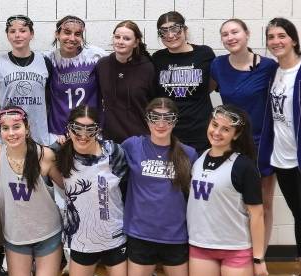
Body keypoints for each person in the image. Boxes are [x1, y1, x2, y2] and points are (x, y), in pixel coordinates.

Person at [188, 105, 274, 276]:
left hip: (234, 249)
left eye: (226, 129)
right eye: (215, 125)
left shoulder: (244, 167)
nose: (217, 132)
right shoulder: (199, 159)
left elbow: (256, 215)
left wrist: (258, 259)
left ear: (236, 135)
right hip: (201, 248)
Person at [257, 18, 301, 276]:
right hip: (282, 160)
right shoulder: (275, 73)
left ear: (293, 39)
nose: (276, 41)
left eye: (282, 35)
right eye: (271, 36)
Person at [121, 98, 197, 276]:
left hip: (175, 238)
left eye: (167, 118)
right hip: (140, 235)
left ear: (175, 121)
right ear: (147, 120)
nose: (161, 124)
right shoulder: (132, 146)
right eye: (155, 117)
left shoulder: (188, 153)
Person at [211, 19, 278, 258]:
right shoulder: (217, 65)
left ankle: (259, 260)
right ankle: (235, 259)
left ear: (247, 34)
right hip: (231, 144)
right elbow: (200, 95)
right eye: (225, 34)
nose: (230, 37)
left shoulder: (269, 66)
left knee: (262, 205)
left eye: (235, 32)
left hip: (262, 143)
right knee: (233, 204)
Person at [0, 106, 63, 276]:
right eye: (5, 128)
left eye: (16, 127)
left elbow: (67, 186)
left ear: (27, 128)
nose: (11, 133)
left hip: (47, 235)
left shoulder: (44, 155)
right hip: (16, 238)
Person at [56, 105, 128, 276]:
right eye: (77, 129)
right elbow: (40, 157)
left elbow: (128, 187)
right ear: (68, 129)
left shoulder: (114, 152)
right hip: (82, 241)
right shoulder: (60, 152)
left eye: (90, 130)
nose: (83, 135)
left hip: (113, 238)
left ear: (98, 130)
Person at [0, 15, 55, 147]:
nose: (17, 35)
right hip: (8, 131)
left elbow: (48, 96)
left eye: (22, 31)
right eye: (12, 31)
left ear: (31, 34)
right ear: (7, 35)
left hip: (37, 132)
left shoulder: (45, 62)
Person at [152, 11, 216, 154]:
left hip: (200, 130)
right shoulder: (157, 58)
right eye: (164, 31)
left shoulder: (204, 54)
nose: (170, 35)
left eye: (175, 28)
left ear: (185, 30)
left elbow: (212, 84)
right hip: (169, 130)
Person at [46, 16, 106, 146]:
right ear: (57, 34)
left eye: (77, 34)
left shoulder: (96, 56)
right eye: (67, 32)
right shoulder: (48, 59)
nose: (72, 38)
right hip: (58, 133)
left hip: (89, 131)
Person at [95, 20, 155, 143]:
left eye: (126, 38)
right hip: (110, 139)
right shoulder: (102, 65)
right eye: (117, 37)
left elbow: (154, 104)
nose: (120, 42)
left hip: (140, 138)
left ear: (136, 42)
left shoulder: (148, 67)